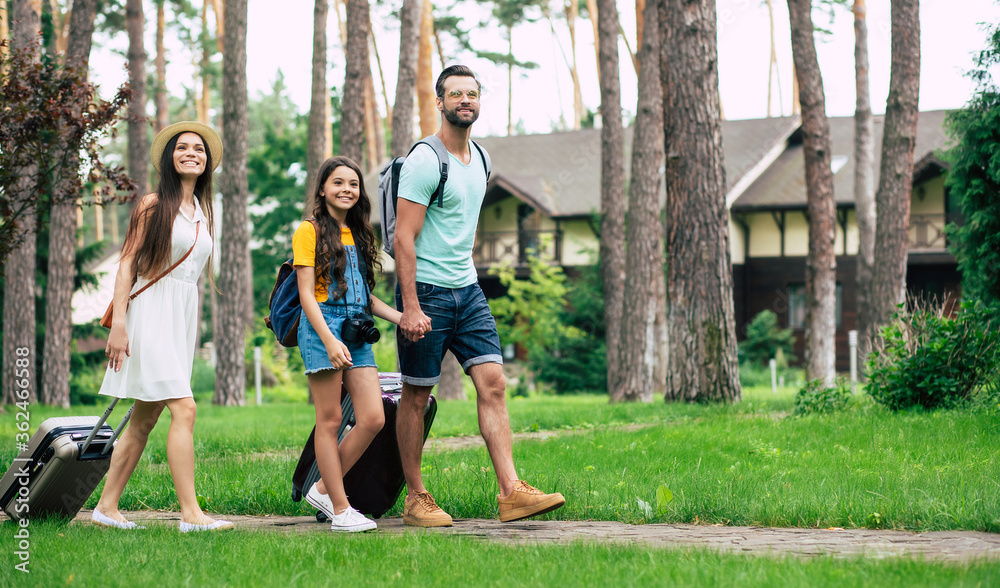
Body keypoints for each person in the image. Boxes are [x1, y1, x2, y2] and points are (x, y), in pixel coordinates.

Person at [394, 65, 566, 527]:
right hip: (426, 292)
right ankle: (415, 497)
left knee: (494, 383)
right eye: (456, 94)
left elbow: (459, 224)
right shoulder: (425, 161)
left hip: (468, 290)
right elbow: (403, 239)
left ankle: (510, 492)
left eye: (471, 94)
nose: (465, 101)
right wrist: (409, 306)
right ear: (440, 101)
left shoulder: (483, 159)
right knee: (417, 395)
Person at [93, 121, 233, 532]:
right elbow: (126, 265)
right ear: (171, 159)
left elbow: (190, 274)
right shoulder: (154, 204)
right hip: (149, 312)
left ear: (206, 163)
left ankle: (106, 507)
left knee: (143, 420)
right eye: (183, 148)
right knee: (184, 409)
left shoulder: (202, 213)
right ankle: (191, 515)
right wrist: (119, 324)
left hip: (179, 316)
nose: (192, 153)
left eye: (199, 150)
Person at [294, 156, 402, 532]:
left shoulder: (357, 232)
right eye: (338, 183)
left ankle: (324, 488)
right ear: (322, 189)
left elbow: (365, 297)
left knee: (373, 417)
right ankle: (340, 509)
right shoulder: (309, 231)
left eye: (353, 184)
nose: (346, 190)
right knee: (330, 420)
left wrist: (401, 318)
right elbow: (307, 295)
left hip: (357, 328)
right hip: (322, 326)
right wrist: (328, 339)